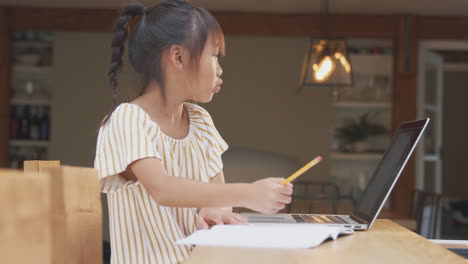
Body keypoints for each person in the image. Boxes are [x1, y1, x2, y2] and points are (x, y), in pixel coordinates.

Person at [94, 1, 293, 263]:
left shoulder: (200, 120)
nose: (220, 69)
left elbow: (218, 194)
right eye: (214, 55)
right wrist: (249, 193)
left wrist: (215, 212)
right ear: (178, 57)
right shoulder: (127, 120)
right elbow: (163, 189)